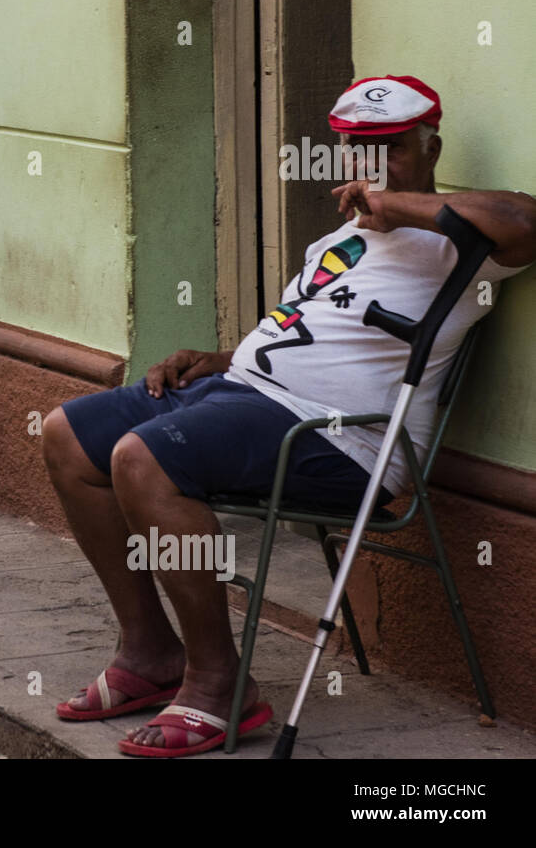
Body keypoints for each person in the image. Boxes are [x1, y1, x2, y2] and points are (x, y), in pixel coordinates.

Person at [41, 75, 536, 756]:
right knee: (66, 433)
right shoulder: (339, 239)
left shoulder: (458, 245)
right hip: (245, 395)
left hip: (341, 439)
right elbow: (306, 330)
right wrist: (218, 358)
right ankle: (151, 653)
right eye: (356, 151)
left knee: (141, 459)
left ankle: (219, 686)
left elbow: (527, 220)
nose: (370, 167)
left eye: (389, 149)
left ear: (431, 148)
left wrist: (406, 205)